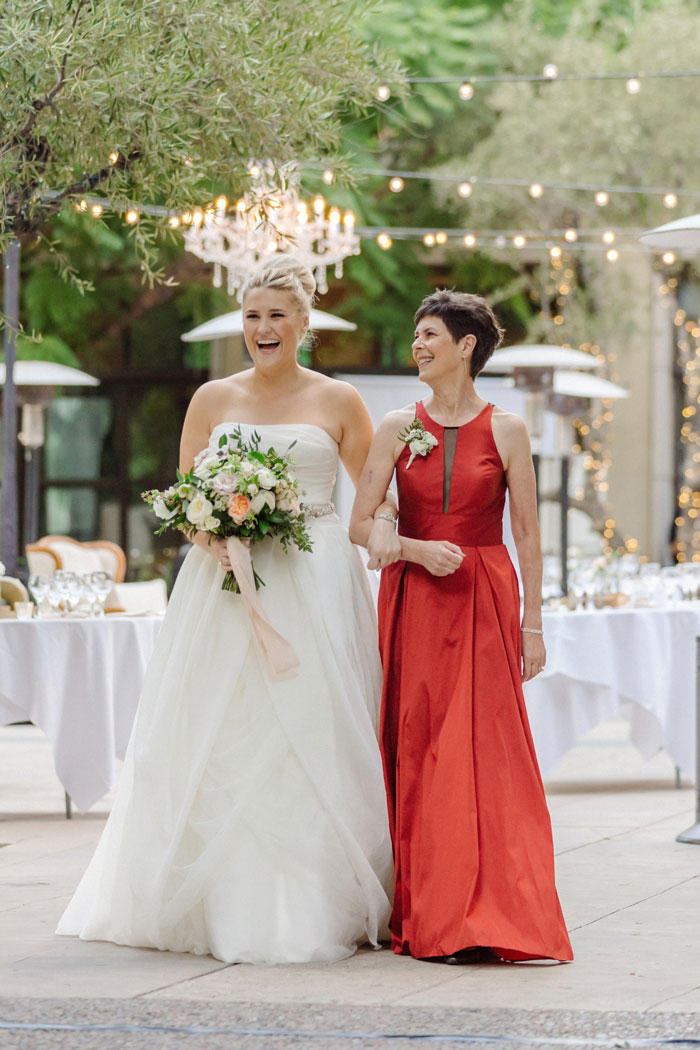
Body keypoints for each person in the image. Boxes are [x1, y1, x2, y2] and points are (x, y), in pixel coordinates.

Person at [57, 256, 393, 964]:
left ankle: (312, 898)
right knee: (219, 725)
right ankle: (207, 899)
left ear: (305, 323)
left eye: (277, 315)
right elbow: (185, 504)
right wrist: (223, 530)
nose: (263, 328)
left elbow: (371, 502)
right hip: (221, 584)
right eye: (252, 316)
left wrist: (402, 541)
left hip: (315, 579)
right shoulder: (211, 398)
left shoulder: (340, 401)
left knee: (309, 726)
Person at [350, 289, 573, 964]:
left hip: (484, 595)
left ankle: (487, 912)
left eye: (429, 335)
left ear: (466, 345)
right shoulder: (394, 425)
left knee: (481, 752)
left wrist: (534, 625)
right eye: (416, 335)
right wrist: (414, 548)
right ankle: (428, 913)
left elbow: (528, 534)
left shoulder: (508, 429)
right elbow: (359, 524)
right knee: (418, 748)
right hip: (414, 597)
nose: (417, 345)